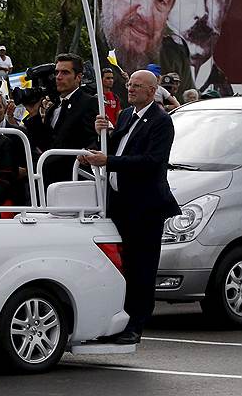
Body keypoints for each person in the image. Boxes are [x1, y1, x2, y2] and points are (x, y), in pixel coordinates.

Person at [82, 70, 180, 344]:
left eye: (137, 86)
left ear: (152, 91)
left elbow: (151, 161)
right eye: (129, 85)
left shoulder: (161, 121)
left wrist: (108, 161)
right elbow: (116, 146)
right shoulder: (126, 115)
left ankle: (136, 325)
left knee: (141, 267)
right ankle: (116, 320)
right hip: (119, 203)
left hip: (145, 206)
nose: (131, 89)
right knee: (119, 265)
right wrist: (101, 135)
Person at [23, 53, 98, 188]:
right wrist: (34, 114)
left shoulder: (89, 103)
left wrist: (87, 154)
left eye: (65, 72)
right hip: (48, 180)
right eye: (57, 72)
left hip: (74, 180)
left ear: (79, 77)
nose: (58, 77)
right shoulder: (54, 107)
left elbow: (95, 140)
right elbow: (46, 143)